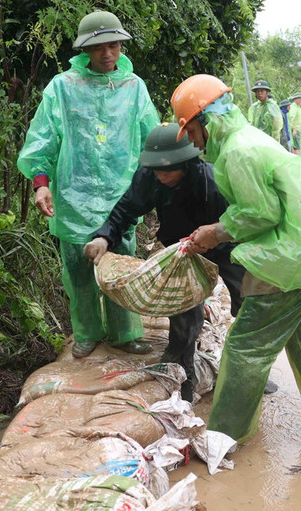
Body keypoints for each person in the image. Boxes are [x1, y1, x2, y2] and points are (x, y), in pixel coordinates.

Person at [170, 74, 301, 443]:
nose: (191, 140)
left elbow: (260, 214)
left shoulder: (238, 151)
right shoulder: (252, 138)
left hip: (287, 260)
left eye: (190, 130)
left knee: (244, 348)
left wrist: (215, 232)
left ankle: (224, 438)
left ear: (206, 120)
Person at [83, 124, 278, 400]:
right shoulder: (150, 176)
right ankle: (181, 371)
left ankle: (251, 370)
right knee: (183, 309)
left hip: (225, 244)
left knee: (247, 301)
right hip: (181, 248)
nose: (161, 176)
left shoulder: (212, 181)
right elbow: (127, 208)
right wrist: (104, 237)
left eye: (168, 171)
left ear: (186, 164)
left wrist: (215, 237)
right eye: (156, 170)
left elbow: (241, 223)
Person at [17, 10, 159, 359]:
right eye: (98, 47)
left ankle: (125, 333)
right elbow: (43, 140)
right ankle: (86, 332)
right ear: (85, 50)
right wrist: (41, 184)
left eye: (113, 45)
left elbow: (150, 140)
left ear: (122, 46)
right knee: (79, 272)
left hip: (119, 199)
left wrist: (152, 188)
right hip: (71, 199)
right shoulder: (62, 89)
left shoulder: (134, 88)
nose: (107, 53)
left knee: (121, 268)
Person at [287, 93, 301, 157]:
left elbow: (299, 119)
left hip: (299, 130)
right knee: (296, 147)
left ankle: (299, 159)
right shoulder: (293, 107)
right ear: (295, 99)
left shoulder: (298, 107)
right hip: (296, 130)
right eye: (299, 99)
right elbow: (291, 118)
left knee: (298, 146)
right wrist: (294, 129)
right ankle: (297, 161)